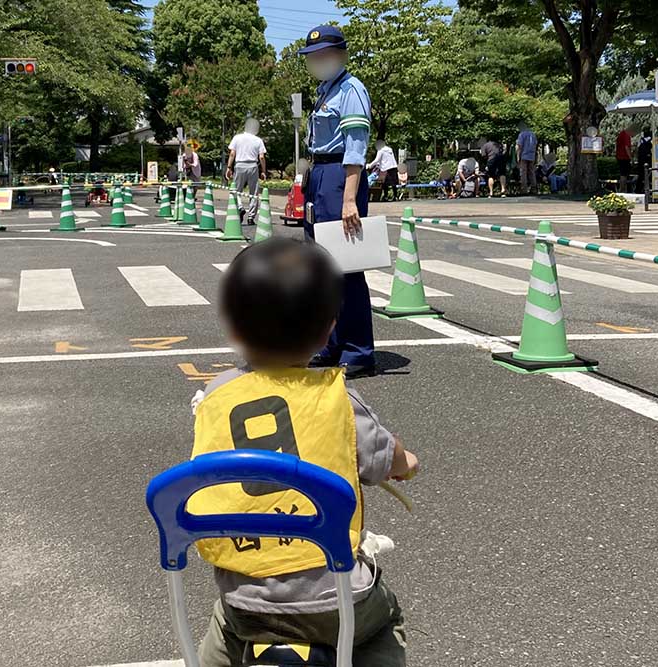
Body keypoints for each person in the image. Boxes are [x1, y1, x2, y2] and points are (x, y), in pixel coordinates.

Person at [194, 237, 418, 667]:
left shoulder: (216, 393)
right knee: (384, 621)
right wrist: (406, 464)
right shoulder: (336, 399)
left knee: (226, 623)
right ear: (329, 327)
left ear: (232, 327)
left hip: (247, 598)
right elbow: (385, 459)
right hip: (335, 601)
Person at [299, 25, 375, 378]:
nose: (318, 61)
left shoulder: (352, 90)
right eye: (313, 57)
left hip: (341, 179)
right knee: (323, 270)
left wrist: (349, 200)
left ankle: (359, 351)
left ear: (341, 55)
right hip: (321, 175)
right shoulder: (324, 91)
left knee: (346, 268)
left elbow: (356, 149)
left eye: (324, 55)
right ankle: (332, 343)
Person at [227, 118, 267, 224]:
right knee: (254, 193)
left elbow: (232, 153)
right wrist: (263, 171)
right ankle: (251, 217)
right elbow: (262, 157)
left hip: (239, 165)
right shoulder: (258, 140)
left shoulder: (237, 138)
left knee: (236, 190)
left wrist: (229, 167)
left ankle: (240, 207)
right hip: (253, 166)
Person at [516, 123, 538, 194]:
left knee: (523, 172)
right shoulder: (533, 134)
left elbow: (519, 146)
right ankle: (534, 188)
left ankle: (524, 189)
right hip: (532, 155)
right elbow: (535, 145)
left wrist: (518, 156)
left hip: (524, 155)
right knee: (532, 172)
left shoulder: (522, 134)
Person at [636, 129, 653, 195]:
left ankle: (638, 189)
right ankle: (649, 190)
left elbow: (637, 150)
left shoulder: (640, 140)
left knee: (640, 176)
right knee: (650, 176)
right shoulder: (651, 140)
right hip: (649, 160)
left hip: (641, 160)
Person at [616, 127, 633, 192]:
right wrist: (631, 158)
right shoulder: (626, 135)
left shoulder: (621, 134)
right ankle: (622, 190)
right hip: (624, 157)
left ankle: (623, 189)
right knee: (624, 175)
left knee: (623, 174)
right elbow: (626, 147)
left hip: (619, 156)